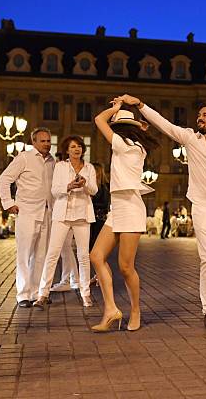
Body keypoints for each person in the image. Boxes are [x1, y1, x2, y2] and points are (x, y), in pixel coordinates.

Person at [119, 94, 206, 330]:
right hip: (202, 206)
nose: (200, 118)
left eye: (205, 115)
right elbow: (163, 124)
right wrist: (141, 105)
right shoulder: (189, 139)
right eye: (199, 115)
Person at [90, 101, 158, 332]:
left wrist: (116, 106)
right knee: (96, 256)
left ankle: (135, 310)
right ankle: (111, 310)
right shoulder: (132, 145)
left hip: (130, 207)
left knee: (126, 267)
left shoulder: (125, 145)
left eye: (115, 127)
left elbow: (99, 119)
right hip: (117, 207)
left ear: (120, 129)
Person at [33, 136, 97, 309]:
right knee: (52, 254)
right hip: (62, 215)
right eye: (73, 147)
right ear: (67, 150)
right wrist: (68, 186)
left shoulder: (89, 168)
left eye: (79, 146)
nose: (77, 149)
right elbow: (54, 191)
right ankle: (42, 294)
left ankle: (85, 294)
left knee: (83, 256)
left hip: (82, 215)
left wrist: (84, 184)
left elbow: (94, 190)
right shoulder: (61, 166)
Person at [0, 128, 55, 308]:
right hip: (27, 211)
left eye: (48, 141)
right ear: (34, 142)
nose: (47, 144)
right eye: (43, 141)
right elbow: (4, 178)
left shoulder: (52, 161)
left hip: (46, 212)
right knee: (24, 254)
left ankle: (37, 293)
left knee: (41, 255)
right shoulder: (23, 158)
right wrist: (8, 203)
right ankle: (23, 294)